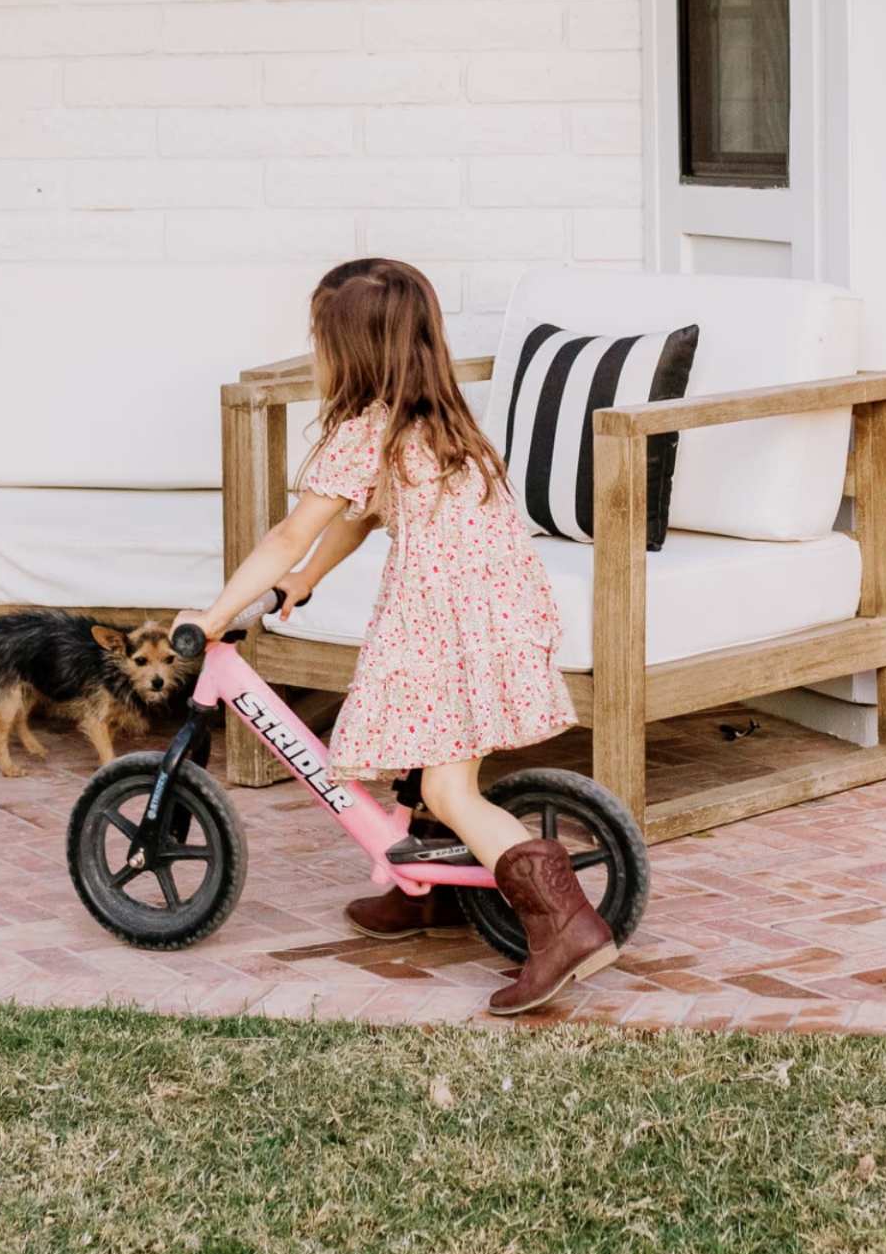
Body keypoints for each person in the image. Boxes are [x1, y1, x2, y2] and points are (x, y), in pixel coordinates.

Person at [185, 257, 621, 1014]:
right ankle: (431, 895)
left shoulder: (363, 431)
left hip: (447, 620)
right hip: (493, 607)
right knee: (421, 765)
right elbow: (361, 516)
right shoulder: (436, 419)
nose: (316, 353)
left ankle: (564, 926)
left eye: (321, 338)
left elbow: (290, 531)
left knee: (450, 788)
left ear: (350, 350)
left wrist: (214, 614)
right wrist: (311, 577)